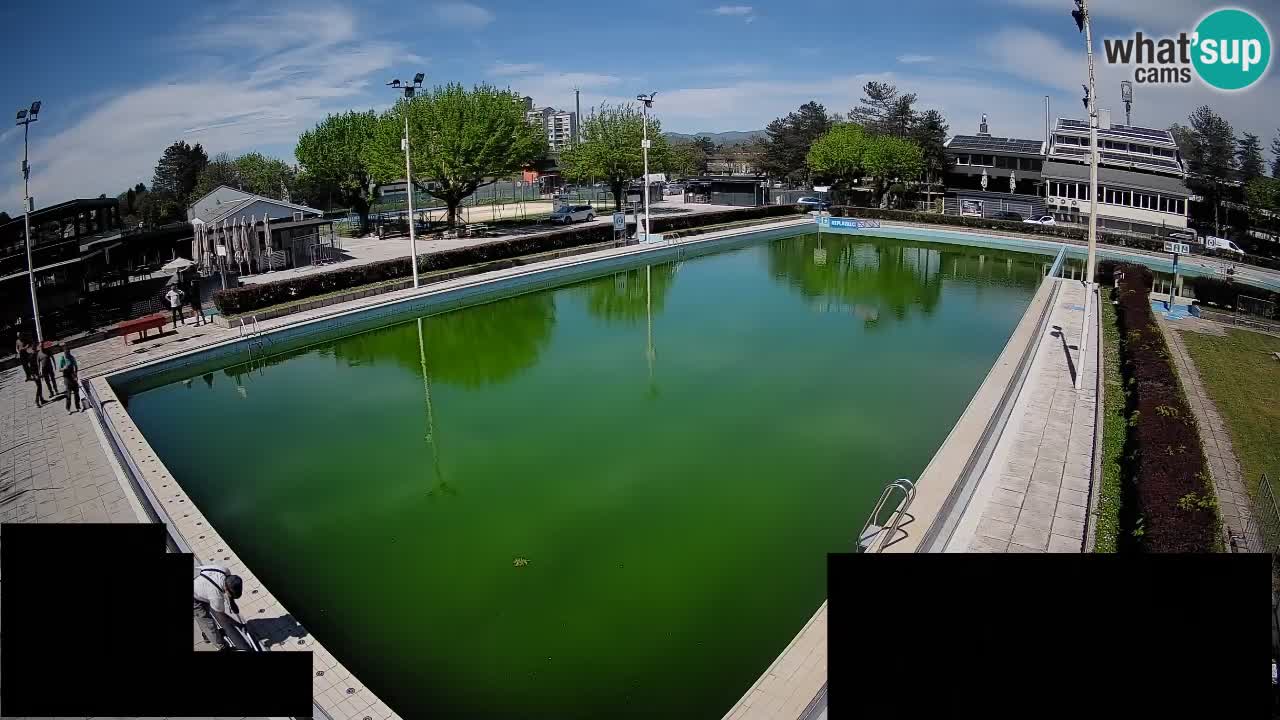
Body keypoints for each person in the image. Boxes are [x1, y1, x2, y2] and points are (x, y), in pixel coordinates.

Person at [193, 565, 252, 651]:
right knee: (207, 622)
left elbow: (229, 593)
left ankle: (207, 635)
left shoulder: (225, 570)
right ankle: (222, 647)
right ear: (226, 589)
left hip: (198, 579)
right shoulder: (215, 595)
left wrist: (232, 603)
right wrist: (238, 625)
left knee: (206, 606)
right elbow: (222, 617)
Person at [60, 346, 81, 414]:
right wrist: (64, 368)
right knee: (68, 395)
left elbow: (76, 366)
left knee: (76, 393)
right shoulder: (62, 359)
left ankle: (78, 407)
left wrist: (76, 375)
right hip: (67, 378)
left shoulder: (71, 357)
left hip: (72, 376)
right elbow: (59, 369)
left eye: (68, 352)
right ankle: (68, 408)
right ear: (64, 352)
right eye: (66, 353)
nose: (67, 354)